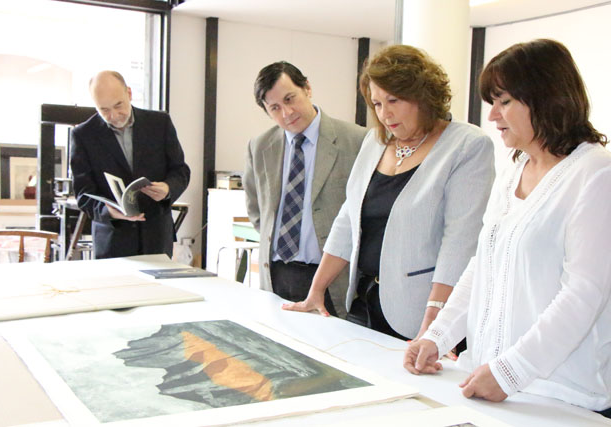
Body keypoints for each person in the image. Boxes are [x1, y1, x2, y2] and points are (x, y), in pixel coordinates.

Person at [404, 39, 611, 415]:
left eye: (505, 102)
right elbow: (482, 267)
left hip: (560, 396)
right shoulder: (515, 169)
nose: (493, 116)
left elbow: (584, 293)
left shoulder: (596, 173)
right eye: (491, 102)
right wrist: (437, 336)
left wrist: (512, 371)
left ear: (545, 97)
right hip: (487, 383)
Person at [283, 45, 495, 341]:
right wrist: (316, 291)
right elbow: (347, 220)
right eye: (377, 104)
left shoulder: (467, 145)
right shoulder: (375, 142)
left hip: (420, 312)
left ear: (423, 94)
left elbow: (459, 242)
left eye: (393, 100)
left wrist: (435, 322)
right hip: (363, 299)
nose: (385, 114)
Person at [243, 61, 367, 317]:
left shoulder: (357, 141)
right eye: (275, 108)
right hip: (276, 275)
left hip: (333, 278)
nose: (287, 112)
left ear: (307, 88)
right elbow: (257, 211)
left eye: (290, 99)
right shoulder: (260, 146)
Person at [70, 71, 190, 259]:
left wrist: (168, 189)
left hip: (156, 237)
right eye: (104, 110)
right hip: (113, 241)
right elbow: (83, 193)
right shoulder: (83, 135)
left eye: (118, 105)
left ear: (129, 93)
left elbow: (180, 170)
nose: (114, 115)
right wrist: (107, 211)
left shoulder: (160, 123)